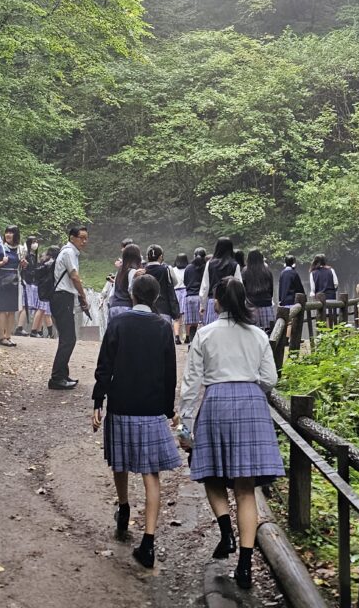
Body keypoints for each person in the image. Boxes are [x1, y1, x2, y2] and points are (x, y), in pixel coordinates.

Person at [178, 277, 284, 590]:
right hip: (251, 402)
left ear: (218, 302)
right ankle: (246, 566)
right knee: (246, 488)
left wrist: (185, 422)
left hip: (217, 401)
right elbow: (270, 379)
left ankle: (226, 532)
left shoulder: (205, 334)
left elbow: (190, 382)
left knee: (210, 474)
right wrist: (250, 388)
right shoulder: (258, 335)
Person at [92, 273, 181, 570]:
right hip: (152, 406)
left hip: (122, 402)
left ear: (132, 294)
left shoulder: (118, 322)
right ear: (156, 298)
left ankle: (124, 506)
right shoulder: (163, 327)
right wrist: (169, 409)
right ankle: (148, 541)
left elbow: (104, 365)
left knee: (120, 461)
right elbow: (170, 373)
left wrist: (98, 402)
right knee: (150, 473)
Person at [48, 223, 90, 390]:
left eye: (86, 238)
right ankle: (57, 378)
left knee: (67, 338)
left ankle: (62, 375)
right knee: (68, 339)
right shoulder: (69, 252)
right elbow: (74, 276)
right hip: (62, 298)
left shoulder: (69, 252)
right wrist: (83, 295)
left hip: (63, 298)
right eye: (82, 238)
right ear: (72, 238)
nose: (84, 241)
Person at [0, 226, 26, 346]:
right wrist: (2, 262)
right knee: (2, 309)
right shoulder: (1, 248)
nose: (8, 235)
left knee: (11, 310)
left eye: (11, 233)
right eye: (7, 232)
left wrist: (24, 263)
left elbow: (22, 267)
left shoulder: (20, 249)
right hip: (2, 281)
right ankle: (1, 336)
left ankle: (8, 336)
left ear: (16, 235)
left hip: (15, 281)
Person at [199, 237, 242, 325]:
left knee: (212, 331)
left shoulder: (209, 264)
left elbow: (205, 286)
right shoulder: (234, 265)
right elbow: (239, 286)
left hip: (214, 302)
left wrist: (202, 305)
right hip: (230, 303)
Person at [144, 246, 180, 325]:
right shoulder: (166, 269)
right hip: (164, 309)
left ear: (147, 257)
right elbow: (174, 283)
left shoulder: (143, 271)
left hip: (147, 310)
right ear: (160, 257)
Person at [242, 249, 275, 333]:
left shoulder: (245, 271)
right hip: (266, 304)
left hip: (251, 305)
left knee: (253, 331)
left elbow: (243, 288)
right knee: (269, 330)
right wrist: (269, 298)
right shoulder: (267, 270)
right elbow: (271, 288)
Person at [108, 243, 143, 318]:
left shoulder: (119, 272)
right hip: (126, 308)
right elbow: (131, 291)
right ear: (137, 257)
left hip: (114, 308)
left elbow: (112, 293)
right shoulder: (132, 271)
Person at [183, 248, 206, 343]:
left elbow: (185, 282)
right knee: (203, 323)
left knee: (193, 324)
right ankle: (202, 344)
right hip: (201, 297)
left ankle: (191, 344)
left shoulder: (188, 268)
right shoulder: (205, 267)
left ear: (194, 256)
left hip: (190, 298)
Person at [172, 253, 188, 345]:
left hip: (176, 292)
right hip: (186, 292)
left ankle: (177, 337)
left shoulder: (173, 270)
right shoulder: (188, 269)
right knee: (186, 316)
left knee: (177, 317)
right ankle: (187, 336)